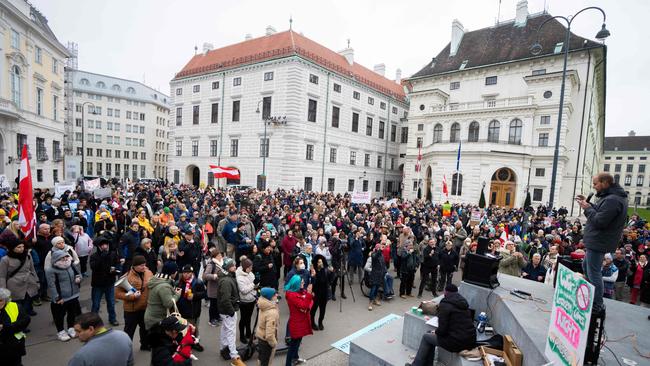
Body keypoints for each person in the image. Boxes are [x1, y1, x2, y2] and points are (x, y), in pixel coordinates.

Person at [576, 173, 628, 314]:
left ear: (605, 183)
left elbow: (600, 221)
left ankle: (597, 305)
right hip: (597, 240)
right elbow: (601, 213)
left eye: (595, 184)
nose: (594, 186)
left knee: (594, 272)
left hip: (599, 241)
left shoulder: (613, 200)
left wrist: (587, 208)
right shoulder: (611, 198)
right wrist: (589, 205)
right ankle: (590, 298)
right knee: (586, 266)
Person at [405, 284, 476, 366]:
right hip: (470, 340)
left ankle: (416, 365)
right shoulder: (463, 303)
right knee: (429, 334)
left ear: (445, 292)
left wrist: (436, 331)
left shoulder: (445, 304)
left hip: (457, 342)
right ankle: (428, 364)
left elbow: (442, 330)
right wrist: (435, 332)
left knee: (426, 337)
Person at [115, 255, 153, 351]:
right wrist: (132, 296)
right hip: (131, 310)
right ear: (134, 266)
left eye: (144, 265)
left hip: (145, 308)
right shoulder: (127, 276)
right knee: (129, 332)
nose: (143, 267)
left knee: (145, 328)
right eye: (141, 265)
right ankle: (126, 350)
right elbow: (117, 294)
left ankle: (145, 345)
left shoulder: (148, 273)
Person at [68, 312, 134, 366]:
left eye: (78, 331)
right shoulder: (124, 336)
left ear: (91, 329)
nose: (75, 335)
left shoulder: (81, 356)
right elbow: (130, 363)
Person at [46, 250, 82, 342]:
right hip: (61, 298)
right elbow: (52, 285)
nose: (65, 259)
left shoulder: (71, 264)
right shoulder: (50, 270)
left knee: (72, 313)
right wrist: (57, 297)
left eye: (66, 257)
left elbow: (79, 274)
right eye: (62, 258)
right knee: (59, 316)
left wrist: (78, 278)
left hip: (73, 295)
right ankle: (61, 331)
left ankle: (71, 328)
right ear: (56, 259)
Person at [218, 257, 246, 366]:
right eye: (233, 265)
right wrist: (231, 311)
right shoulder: (226, 281)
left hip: (225, 310)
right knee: (231, 332)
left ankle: (223, 348)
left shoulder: (227, 277)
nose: (235, 267)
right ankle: (234, 356)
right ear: (229, 267)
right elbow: (225, 299)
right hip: (228, 310)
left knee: (225, 329)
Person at [0, 240, 39, 317]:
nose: (22, 249)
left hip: (29, 282)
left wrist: (37, 281)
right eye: (19, 247)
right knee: (18, 305)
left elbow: (32, 269)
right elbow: (2, 276)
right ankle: (22, 323)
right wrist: (3, 290)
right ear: (12, 248)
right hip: (15, 286)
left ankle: (27, 313)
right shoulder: (5, 259)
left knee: (28, 300)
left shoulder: (28, 255)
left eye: (23, 246)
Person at [89, 237, 120, 326]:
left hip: (109, 283)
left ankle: (112, 319)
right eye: (102, 245)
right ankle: (93, 323)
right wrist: (101, 258)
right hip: (97, 284)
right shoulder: (94, 256)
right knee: (96, 305)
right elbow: (93, 267)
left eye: (106, 244)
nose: (105, 246)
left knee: (111, 303)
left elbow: (116, 264)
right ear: (99, 246)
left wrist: (115, 271)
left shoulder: (113, 254)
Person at [176, 264, 205, 351]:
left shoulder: (198, 282)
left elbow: (204, 294)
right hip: (181, 310)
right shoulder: (179, 282)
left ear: (192, 273)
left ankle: (195, 343)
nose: (186, 274)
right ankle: (183, 344)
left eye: (188, 273)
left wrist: (194, 296)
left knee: (193, 329)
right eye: (184, 272)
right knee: (182, 329)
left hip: (193, 311)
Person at [144, 261, 181, 331]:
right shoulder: (164, 286)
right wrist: (177, 294)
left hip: (152, 316)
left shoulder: (157, 279)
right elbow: (168, 303)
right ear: (174, 272)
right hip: (156, 320)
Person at [285, 275, 313, 366]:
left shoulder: (300, 292)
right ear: (296, 284)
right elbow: (304, 305)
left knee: (297, 343)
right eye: (301, 282)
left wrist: (306, 305)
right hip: (297, 324)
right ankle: (288, 364)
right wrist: (308, 294)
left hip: (301, 322)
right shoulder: (292, 295)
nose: (303, 283)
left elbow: (309, 303)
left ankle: (295, 358)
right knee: (293, 345)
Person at [0, 287, 30, 366]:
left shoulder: (15, 306)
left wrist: (5, 326)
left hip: (14, 345)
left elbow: (26, 320)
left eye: (0, 300)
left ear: (5, 299)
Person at [256, 287, 280, 366]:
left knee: (261, 359)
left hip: (260, 336)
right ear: (270, 297)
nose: (276, 295)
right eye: (274, 294)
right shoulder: (271, 312)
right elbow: (269, 334)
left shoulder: (263, 304)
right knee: (266, 363)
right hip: (267, 341)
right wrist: (273, 343)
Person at [203, 247, 225, 326]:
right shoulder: (211, 264)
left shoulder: (221, 263)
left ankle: (217, 316)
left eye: (221, 255)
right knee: (213, 305)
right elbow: (205, 276)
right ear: (215, 256)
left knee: (218, 304)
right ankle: (211, 319)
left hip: (220, 288)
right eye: (219, 255)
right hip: (213, 288)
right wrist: (214, 276)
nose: (220, 257)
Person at [310, 254, 333, 330]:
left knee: (323, 309)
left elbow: (330, 281)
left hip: (324, 292)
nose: (321, 263)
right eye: (319, 262)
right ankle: (312, 323)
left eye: (322, 262)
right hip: (316, 293)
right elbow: (314, 282)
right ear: (316, 263)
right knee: (314, 309)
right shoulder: (313, 271)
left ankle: (320, 322)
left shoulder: (326, 270)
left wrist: (332, 273)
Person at [236, 257, 256, 344]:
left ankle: (248, 333)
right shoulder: (239, 277)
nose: (251, 269)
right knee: (243, 319)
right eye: (250, 268)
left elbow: (253, 282)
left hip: (252, 299)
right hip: (244, 301)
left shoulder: (250, 273)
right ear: (245, 268)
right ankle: (241, 336)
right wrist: (253, 285)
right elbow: (243, 290)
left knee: (249, 318)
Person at [368, 243, 387, 310]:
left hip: (380, 274)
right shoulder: (373, 254)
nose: (380, 248)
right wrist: (380, 250)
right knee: (373, 288)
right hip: (375, 274)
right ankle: (370, 302)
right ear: (376, 248)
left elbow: (383, 264)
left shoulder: (381, 255)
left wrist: (385, 272)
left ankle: (375, 299)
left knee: (377, 288)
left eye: (380, 247)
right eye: (378, 247)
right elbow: (375, 256)